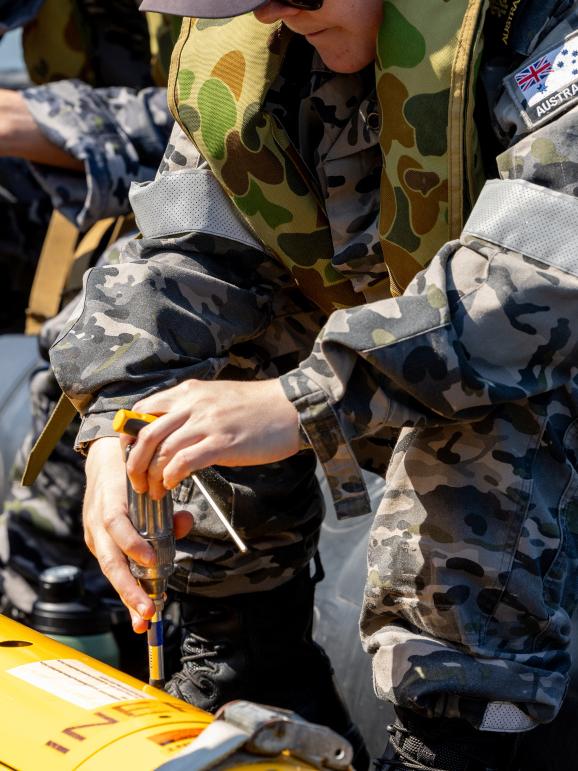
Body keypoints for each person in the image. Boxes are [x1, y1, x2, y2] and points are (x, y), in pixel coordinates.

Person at [49, 0, 578, 768]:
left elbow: (540, 283)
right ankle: (248, 668)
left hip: (537, 381)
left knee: (486, 421)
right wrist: (119, 420)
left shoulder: (542, 27)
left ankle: (468, 733)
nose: (269, 12)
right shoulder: (276, 45)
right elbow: (183, 246)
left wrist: (300, 403)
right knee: (197, 384)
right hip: (396, 368)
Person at [0, 0, 173, 633]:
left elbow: (232, 122)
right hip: (87, 173)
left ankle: (67, 580)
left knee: (95, 352)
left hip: (224, 189)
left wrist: (34, 119)